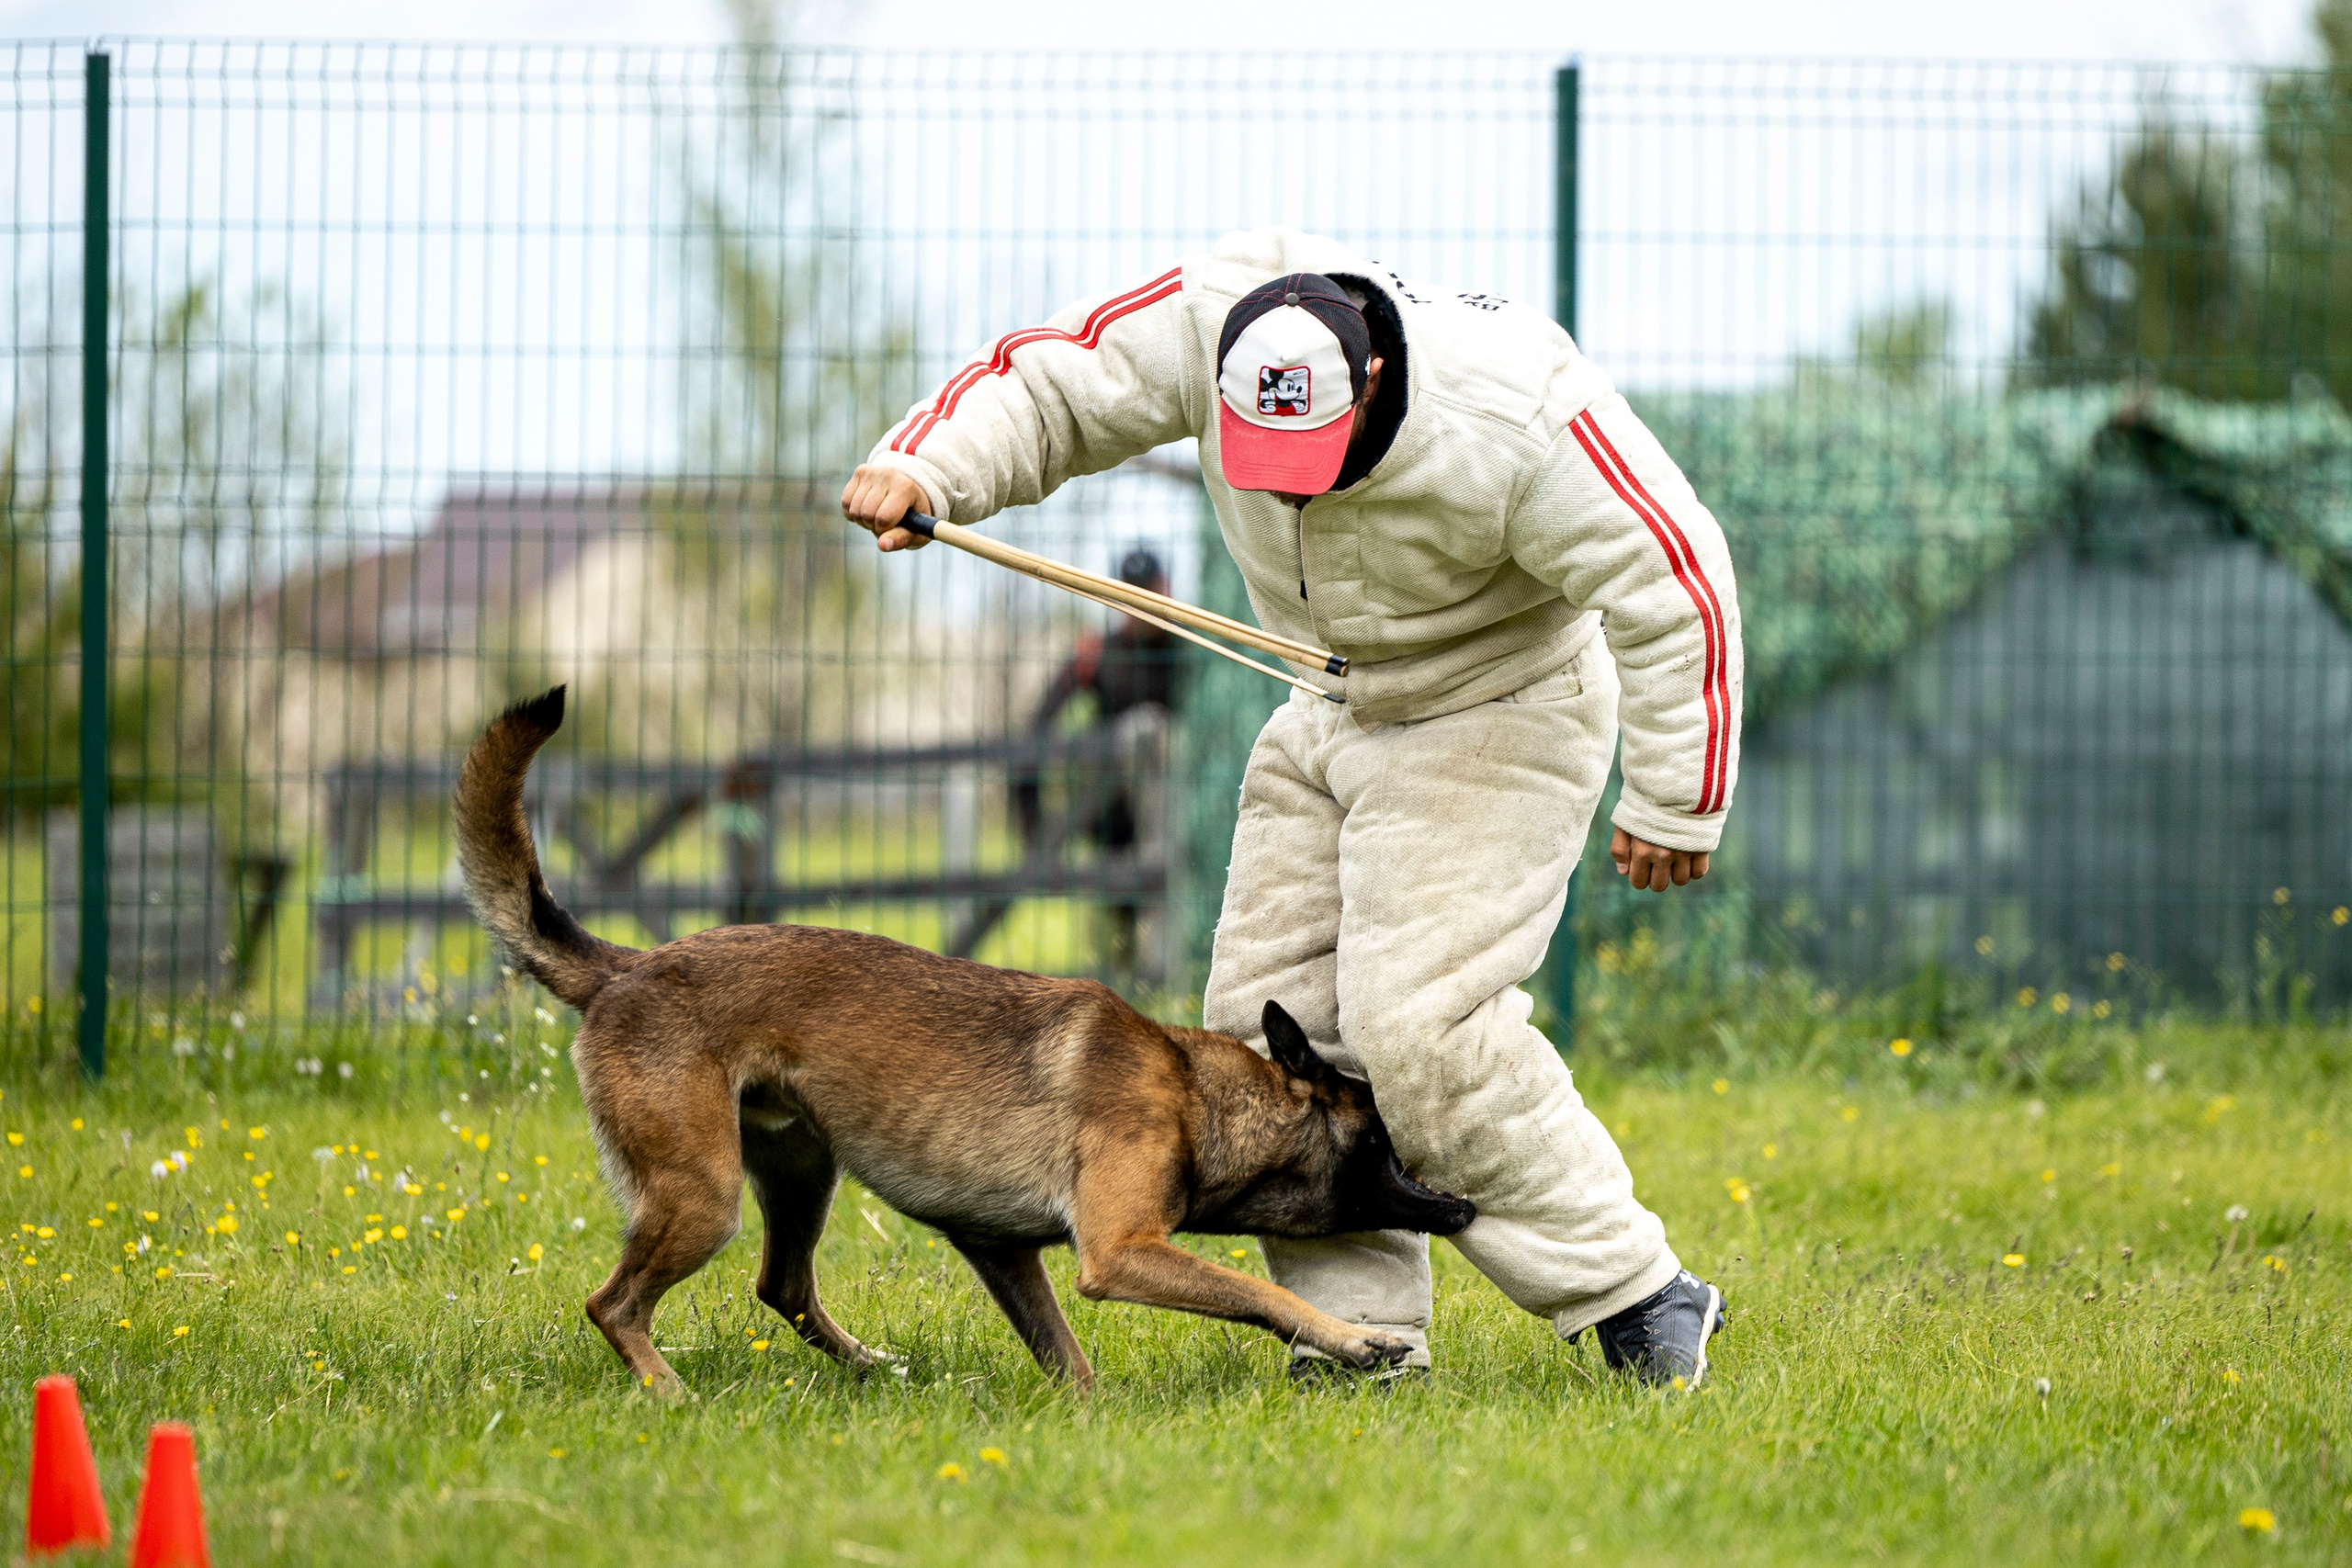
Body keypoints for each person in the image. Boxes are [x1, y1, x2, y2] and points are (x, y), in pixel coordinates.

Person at [842, 227, 1740, 1389]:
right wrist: (928, 464)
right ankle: (1358, 1344)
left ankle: (1633, 1293)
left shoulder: (1520, 405)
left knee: (1422, 1031)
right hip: (1321, 697)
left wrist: (1678, 797)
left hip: (1499, 707)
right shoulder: (1207, 313)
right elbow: (1055, 382)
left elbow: (1677, 577)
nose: (1277, 481)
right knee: (1271, 1038)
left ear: (1370, 382)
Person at [1008, 547, 1182, 970]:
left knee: (1155, 734)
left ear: (1166, 590)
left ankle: (1160, 964)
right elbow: (1037, 729)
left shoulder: (1188, 654)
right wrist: (1036, 833)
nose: (1141, 606)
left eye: (1150, 592)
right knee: (1108, 955)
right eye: (1131, 595)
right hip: (1105, 811)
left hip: (1170, 817)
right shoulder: (1096, 654)